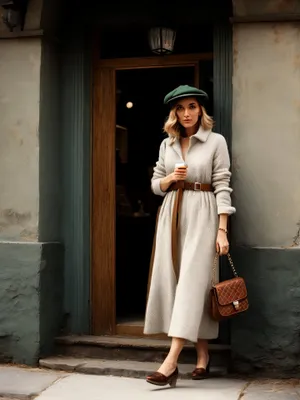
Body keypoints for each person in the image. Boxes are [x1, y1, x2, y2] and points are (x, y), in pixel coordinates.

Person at [144, 85, 236, 387]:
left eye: (192, 107)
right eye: (180, 108)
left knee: (194, 282)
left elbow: (223, 183)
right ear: (174, 113)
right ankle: (202, 356)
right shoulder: (166, 145)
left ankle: (170, 363)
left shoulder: (215, 142)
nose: (186, 113)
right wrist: (171, 179)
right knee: (183, 282)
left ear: (201, 110)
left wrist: (222, 229)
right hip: (172, 215)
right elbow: (156, 184)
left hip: (204, 213)